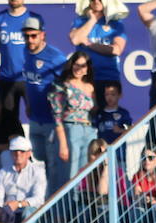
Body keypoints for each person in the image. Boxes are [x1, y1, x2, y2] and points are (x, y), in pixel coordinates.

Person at [21, 15, 69, 190]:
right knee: (39, 160)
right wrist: (27, 102)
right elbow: (28, 80)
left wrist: (60, 110)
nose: (30, 40)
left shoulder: (55, 57)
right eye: (26, 36)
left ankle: (54, 202)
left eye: (33, 35)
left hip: (52, 121)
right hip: (34, 118)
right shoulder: (25, 52)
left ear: (43, 35)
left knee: (53, 164)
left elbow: (68, 84)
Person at [68, 0, 129, 107]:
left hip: (108, 78)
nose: (96, 1)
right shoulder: (80, 21)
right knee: (86, 115)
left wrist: (89, 44)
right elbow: (75, 39)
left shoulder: (115, 23)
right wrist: (92, 20)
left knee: (106, 117)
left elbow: (116, 50)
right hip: (85, 78)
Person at [50, 51, 97, 184]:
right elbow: (57, 115)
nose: (79, 69)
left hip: (88, 130)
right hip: (70, 128)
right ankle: (69, 203)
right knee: (71, 174)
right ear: (71, 65)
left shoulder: (90, 87)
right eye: (76, 65)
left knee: (85, 172)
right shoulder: (62, 85)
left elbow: (93, 110)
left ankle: (80, 203)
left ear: (87, 68)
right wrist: (63, 144)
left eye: (83, 66)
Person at [0, 136, 47, 223]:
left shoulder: (38, 171)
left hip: (28, 211)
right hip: (8, 211)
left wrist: (18, 204)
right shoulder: (3, 172)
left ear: (29, 153)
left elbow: (39, 199)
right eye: (15, 151)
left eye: (22, 151)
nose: (18, 154)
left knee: (28, 212)